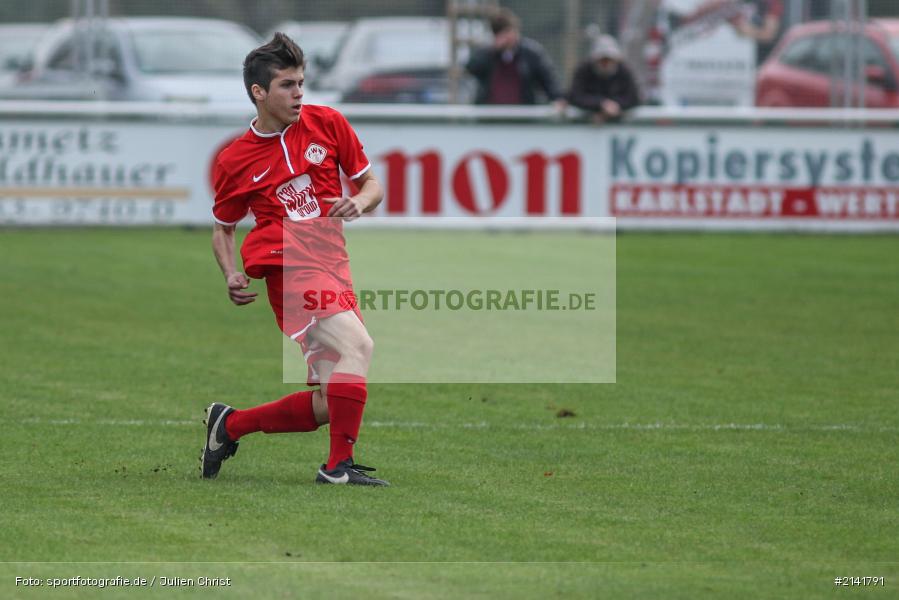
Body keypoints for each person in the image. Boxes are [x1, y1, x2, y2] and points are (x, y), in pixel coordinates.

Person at [202, 33, 389, 486]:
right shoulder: (236, 159)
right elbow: (223, 226)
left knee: (329, 403)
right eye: (287, 85)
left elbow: (372, 187)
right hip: (288, 272)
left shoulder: (328, 123)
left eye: (301, 83)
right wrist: (230, 271)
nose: (299, 93)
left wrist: (360, 204)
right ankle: (336, 469)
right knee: (359, 346)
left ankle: (229, 425)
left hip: (333, 268)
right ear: (259, 93)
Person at [465, 7, 565, 108]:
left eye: (510, 31)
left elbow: (548, 78)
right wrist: (493, 49)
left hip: (523, 115)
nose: (509, 37)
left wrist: (558, 98)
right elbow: (471, 68)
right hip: (491, 115)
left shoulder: (532, 53)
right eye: (503, 33)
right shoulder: (488, 53)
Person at [567, 35, 640, 124]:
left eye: (609, 60)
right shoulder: (583, 70)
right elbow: (574, 96)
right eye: (602, 60)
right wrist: (601, 104)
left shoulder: (624, 71)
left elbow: (634, 97)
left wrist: (615, 105)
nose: (606, 63)